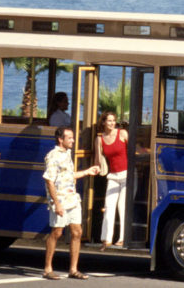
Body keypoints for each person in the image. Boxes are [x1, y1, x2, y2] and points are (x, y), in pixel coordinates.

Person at [43, 126, 100, 280]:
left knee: (77, 232)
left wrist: (87, 171)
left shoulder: (67, 154)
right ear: (60, 139)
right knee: (57, 233)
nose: (73, 141)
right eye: (70, 138)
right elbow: (49, 180)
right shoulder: (53, 156)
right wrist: (57, 203)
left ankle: (73, 269)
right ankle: (48, 268)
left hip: (72, 199)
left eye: (73, 138)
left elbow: (69, 176)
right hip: (60, 199)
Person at [94, 111, 128, 250]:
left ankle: (122, 238)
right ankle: (107, 239)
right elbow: (98, 158)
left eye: (113, 120)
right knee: (109, 206)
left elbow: (132, 150)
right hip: (113, 176)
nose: (112, 123)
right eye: (109, 121)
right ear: (103, 122)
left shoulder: (122, 133)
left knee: (122, 206)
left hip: (127, 174)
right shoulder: (100, 139)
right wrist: (95, 169)